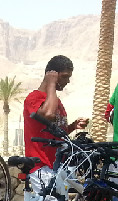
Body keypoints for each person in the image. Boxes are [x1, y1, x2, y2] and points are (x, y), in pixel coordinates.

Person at [22, 55, 89, 192]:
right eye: (64, 76)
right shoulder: (34, 97)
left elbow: (55, 132)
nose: (68, 81)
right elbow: (48, 115)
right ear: (52, 75)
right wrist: (51, 84)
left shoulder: (55, 101)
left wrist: (72, 127)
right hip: (42, 166)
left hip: (58, 165)